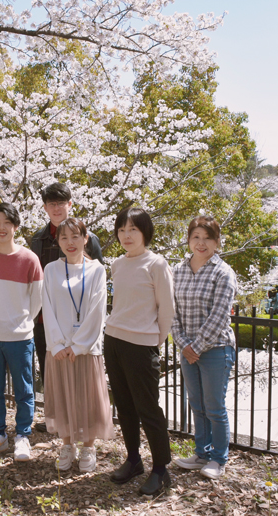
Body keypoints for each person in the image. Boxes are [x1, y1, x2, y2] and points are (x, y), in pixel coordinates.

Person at [104, 206, 175, 496]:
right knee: (124, 405)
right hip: (114, 340)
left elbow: (167, 308)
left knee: (148, 409)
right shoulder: (118, 264)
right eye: (121, 230)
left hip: (142, 345)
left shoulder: (156, 264)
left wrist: (155, 340)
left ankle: (161, 469)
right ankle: (133, 459)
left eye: (132, 229)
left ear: (145, 231)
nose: (126, 235)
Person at [42, 218, 113, 473]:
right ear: (57, 242)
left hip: (86, 348)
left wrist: (80, 344)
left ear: (85, 238)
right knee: (63, 396)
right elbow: (46, 308)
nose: (70, 243)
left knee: (87, 398)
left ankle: (88, 446)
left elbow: (97, 310)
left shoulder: (97, 270)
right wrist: (58, 344)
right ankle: (67, 444)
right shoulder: (50, 270)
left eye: (75, 237)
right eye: (64, 238)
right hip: (59, 349)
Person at [0, 202, 43, 462]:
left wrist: (21, 321)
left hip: (19, 337)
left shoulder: (29, 259)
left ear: (15, 226)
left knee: (25, 389)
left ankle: (23, 435)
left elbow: (36, 300)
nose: (2, 227)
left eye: (7, 222)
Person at [30, 183, 103, 430]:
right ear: (45, 208)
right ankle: (58, 419)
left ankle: (81, 424)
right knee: (51, 370)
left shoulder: (88, 237)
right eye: (51, 204)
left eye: (61, 203)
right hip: (48, 319)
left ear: (70, 204)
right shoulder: (38, 239)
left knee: (82, 377)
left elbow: (97, 277)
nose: (57, 208)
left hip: (80, 320)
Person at [171, 215, 237, 480]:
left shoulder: (223, 272)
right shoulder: (177, 270)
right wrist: (183, 344)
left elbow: (220, 315)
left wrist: (195, 347)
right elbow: (171, 311)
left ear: (217, 242)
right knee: (197, 404)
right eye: (196, 237)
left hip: (215, 349)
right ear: (188, 240)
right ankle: (201, 453)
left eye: (207, 238)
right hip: (187, 348)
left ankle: (218, 459)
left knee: (214, 406)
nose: (201, 243)